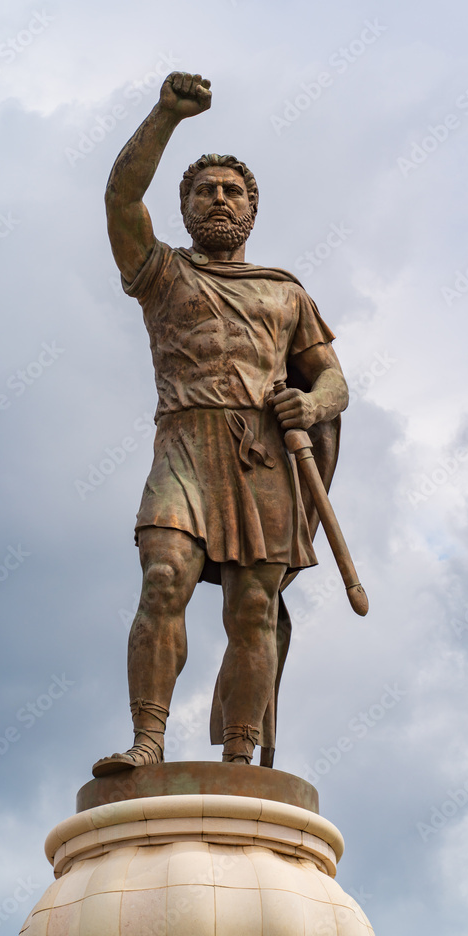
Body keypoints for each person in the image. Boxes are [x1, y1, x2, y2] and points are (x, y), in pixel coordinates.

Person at [93, 72, 348, 775]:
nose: (219, 198)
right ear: (183, 207)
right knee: (162, 578)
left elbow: (332, 379)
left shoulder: (284, 292)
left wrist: (312, 405)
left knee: (253, 607)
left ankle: (239, 754)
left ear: (252, 209)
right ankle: (148, 741)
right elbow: (120, 199)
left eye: (232, 190)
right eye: (204, 189)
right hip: (184, 445)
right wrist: (165, 115)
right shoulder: (161, 273)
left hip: (261, 456)